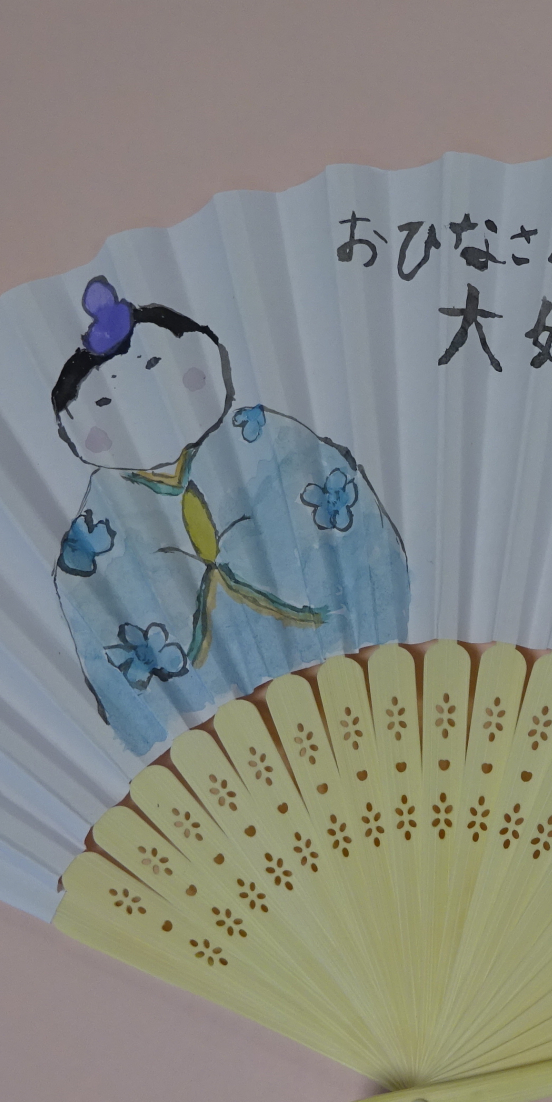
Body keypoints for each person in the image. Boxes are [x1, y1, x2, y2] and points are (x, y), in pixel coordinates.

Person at [52, 276, 408, 755]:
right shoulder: (93, 535)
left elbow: (353, 529)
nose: (142, 403)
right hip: (219, 725)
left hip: (333, 655)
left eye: (157, 367)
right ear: (73, 429)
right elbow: (102, 632)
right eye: (104, 403)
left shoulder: (265, 437)